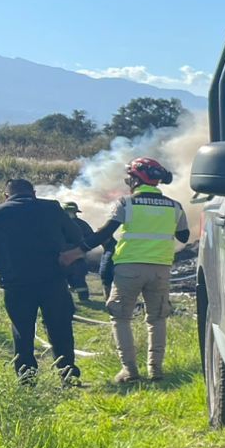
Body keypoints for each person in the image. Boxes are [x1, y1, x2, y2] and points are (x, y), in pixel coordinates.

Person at [90, 157, 189, 384]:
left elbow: (105, 233)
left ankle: (129, 370)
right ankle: (155, 370)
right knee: (157, 319)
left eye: (130, 177)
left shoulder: (126, 203)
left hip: (129, 268)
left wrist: (79, 248)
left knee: (121, 317)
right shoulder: (175, 206)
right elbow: (183, 236)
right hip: (161, 269)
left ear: (137, 179)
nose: (128, 181)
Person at [0, 179, 87, 384]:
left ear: (6, 196)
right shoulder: (52, 208)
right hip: (53, 280)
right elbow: (77, 235)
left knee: (22, 330)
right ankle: (67, 373)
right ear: (33, 193)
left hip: (15, 283)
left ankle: (26, 376)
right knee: (60, 326)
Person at [61, 201, 96, 301]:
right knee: (71, 279)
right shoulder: (82, 224)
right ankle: (78, 299)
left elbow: (91, 238)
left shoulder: (58, 223)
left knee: (78, 279)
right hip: (72, 256)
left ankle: (83, 299)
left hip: (73, 257)